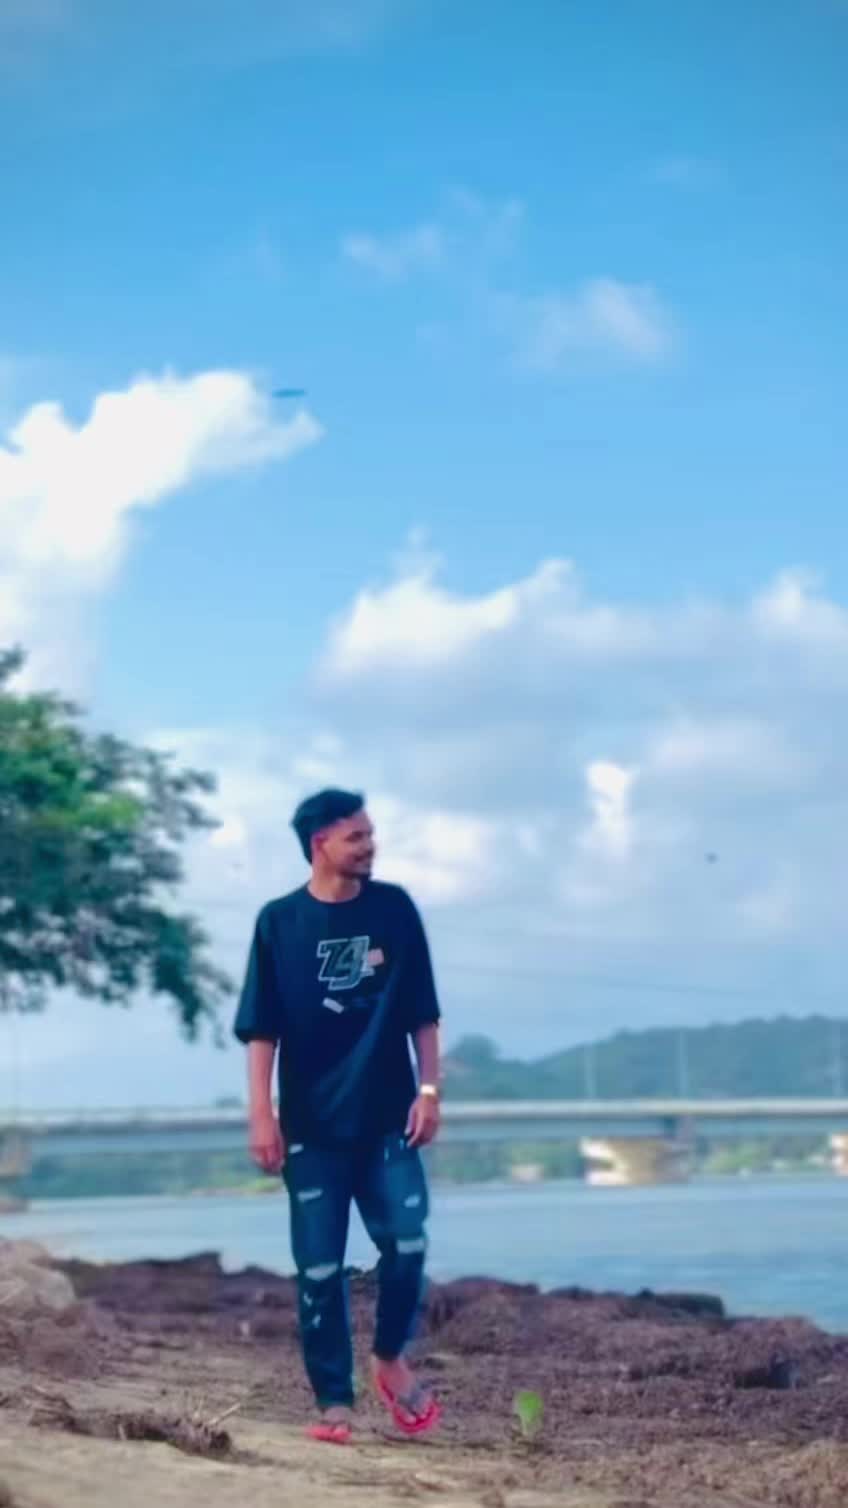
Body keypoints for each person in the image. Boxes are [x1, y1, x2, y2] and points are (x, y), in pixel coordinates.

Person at [234, 787, 443, 1445]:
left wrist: (429, 1090)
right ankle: (334, 1405)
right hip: (311, 1127)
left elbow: (422, 1011)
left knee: (407, 1243)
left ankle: (388, 1358)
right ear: (320, 842)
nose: (370, 845)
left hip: (387, 1120)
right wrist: (261, 1113)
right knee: (320, 1271)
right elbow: (261, 1028)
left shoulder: (394, 909)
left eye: (371, 834)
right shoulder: (279, 923)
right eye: (357, 836)